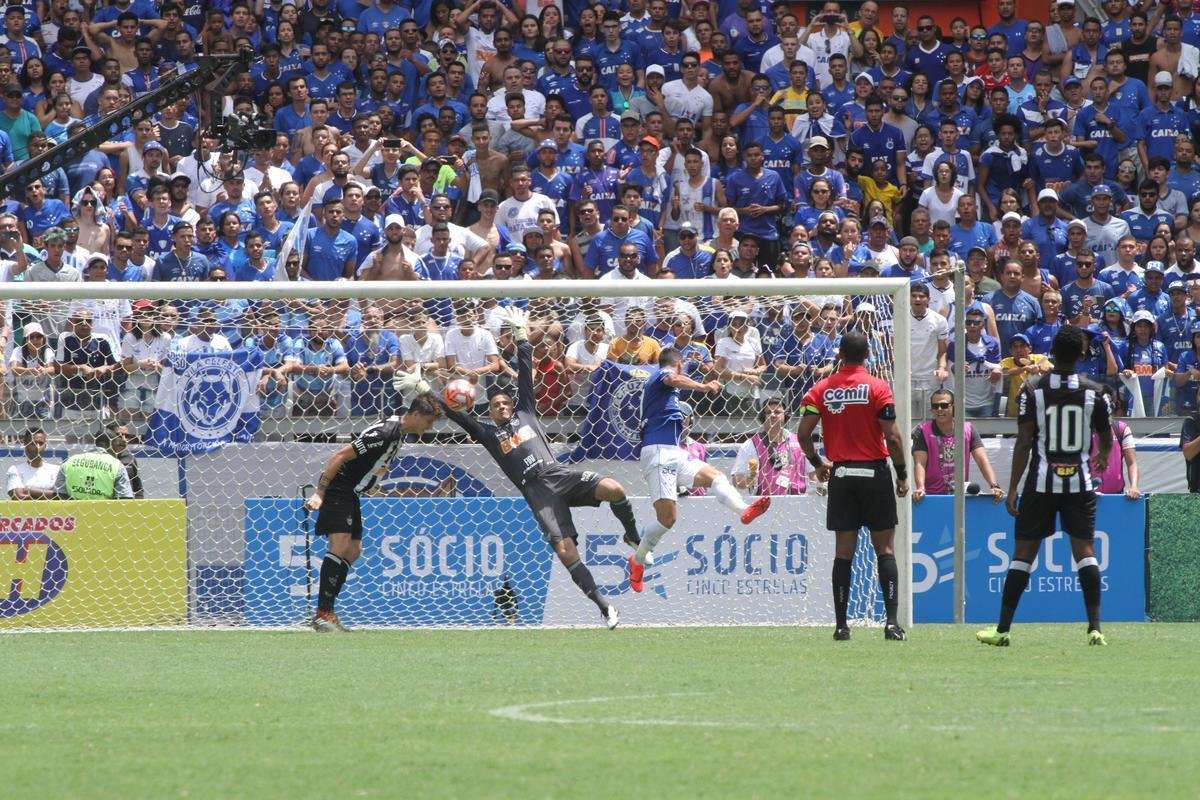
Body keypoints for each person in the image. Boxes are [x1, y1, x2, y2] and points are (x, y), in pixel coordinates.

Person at [440, 308, 640, 629]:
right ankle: (605, 607)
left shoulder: (526, 414)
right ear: (490, 412)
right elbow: (458, 417)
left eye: (505, 403)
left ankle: (632, 537)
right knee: (565, 550)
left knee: (614, 489)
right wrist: (424, 390)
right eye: (496, 405)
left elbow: (524, 375)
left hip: (557, 474)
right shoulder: (489, 435)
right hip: (537, 493)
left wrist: (522, 339)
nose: (502, 406)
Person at [977, 325, 1113, 647]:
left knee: (1023, 553)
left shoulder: (1032, 389)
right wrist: (1103, 456)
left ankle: (1002, 630)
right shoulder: (1095, 392)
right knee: (1085, 552)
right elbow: (1107, 436)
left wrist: (1013, 488)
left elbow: (1024, 442)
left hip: (1041, 483)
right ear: (1082, 354)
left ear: (1051, 352)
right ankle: (1095, 628)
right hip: (1079, 483)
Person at [628, 347, 772, 592]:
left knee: (716, 476)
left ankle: (744, 510)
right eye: (683, 365)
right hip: (658, 452)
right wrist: (704, 387)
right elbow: (672, 378)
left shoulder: (667, 392)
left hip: (675, 451)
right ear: (679, 364)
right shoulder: (661, 376)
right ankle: (637, 560)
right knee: (667, 519)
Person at [303, 384, 444, 632]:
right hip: (339, 489)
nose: (429, 427)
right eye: (429, 421)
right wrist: (320, 493)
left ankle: (328, 613)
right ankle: (322, 614)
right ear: (416, 415)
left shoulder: (398, 431)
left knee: (353, 551)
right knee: (340, 545)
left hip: (352, 493)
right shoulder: (385, 433)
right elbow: (340, 456)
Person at [796, 330, 908, 642]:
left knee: (844, 552)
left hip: (842, 475)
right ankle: (891, 624)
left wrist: (818, 464)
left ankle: (841, 626)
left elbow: (803, 435)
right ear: (868, 354)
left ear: (840, 354)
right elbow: (893, 437)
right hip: (874, 473)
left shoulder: (821, 389)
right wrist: (901, 474)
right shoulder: (878, 387)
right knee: (885, 549)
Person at [911, 389, 1003, 503]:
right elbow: (919, 463)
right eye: (935, 406)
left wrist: (994, 485)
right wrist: (920, 487)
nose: (939, 409)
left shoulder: (968, 429)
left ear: (953, 407)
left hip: (960, 497)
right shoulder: (922, 431)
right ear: (931, 409)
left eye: (944, 405)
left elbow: (982, 460)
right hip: (932, 497)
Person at [730, 398, 808, 496]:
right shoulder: (751, 444)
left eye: (777, 412)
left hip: (799, 500)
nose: (773, 415)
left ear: (786, 415)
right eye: (768, 412)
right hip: (765, 501)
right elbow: (736, 479)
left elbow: (813, 474)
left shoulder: (800, 442)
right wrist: (749, 479)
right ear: (763, 417)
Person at [55, 446, 135, 499]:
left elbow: (59, 495)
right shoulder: (117, 465)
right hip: (106, 515)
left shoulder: (70, 461)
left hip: (74, 515)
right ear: (110, 445)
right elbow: (124, 499)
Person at [6, 427, 60, 500]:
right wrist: (48, 494)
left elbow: (59, 496)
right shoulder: (15, 470)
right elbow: (19, 496)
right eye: (33, 443)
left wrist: (29, 490)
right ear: (25, 444)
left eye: (41, 443)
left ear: (45, 446)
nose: (37, 447)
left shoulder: (56, 470)